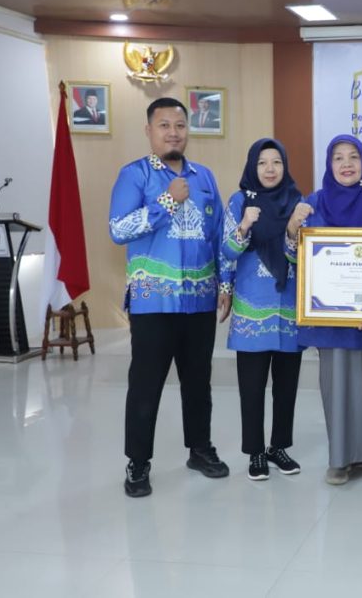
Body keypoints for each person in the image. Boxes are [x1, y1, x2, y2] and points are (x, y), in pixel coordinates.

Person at [108, 97, 231, 498]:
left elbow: (218, 235)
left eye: (180, 125)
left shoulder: (205, 177)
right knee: (146, 385)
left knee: (198, 383)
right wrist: (166, 201)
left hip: (199, 301)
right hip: (153, 302)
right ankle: (138, 463)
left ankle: (200, 449)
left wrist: (225, 285)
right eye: (164, 125)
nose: (173, 133)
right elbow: (118, 229)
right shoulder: (135, 175)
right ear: (149, 131)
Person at [290, 134, 362, 485]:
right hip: (328, 313)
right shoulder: (312, 204)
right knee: (334, 385)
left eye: (353, 157)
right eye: (338, 157)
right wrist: (292, 228)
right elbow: (293, 257)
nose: (346, 164)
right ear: (329, 164)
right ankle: (338, 459)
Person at [221, 138, 305, 481]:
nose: (270, 169)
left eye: (276, 162)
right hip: (251, 307)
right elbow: (227, 251)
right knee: (252, 387)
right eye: (262, 163)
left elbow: (301, 257)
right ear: (252, 167)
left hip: (287, 309)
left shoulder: (297, 202)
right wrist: (244, 225)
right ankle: (255, 452)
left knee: (287, 387)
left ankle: (278, 447)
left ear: (285, 166)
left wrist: (291, 230)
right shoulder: (239, 201)